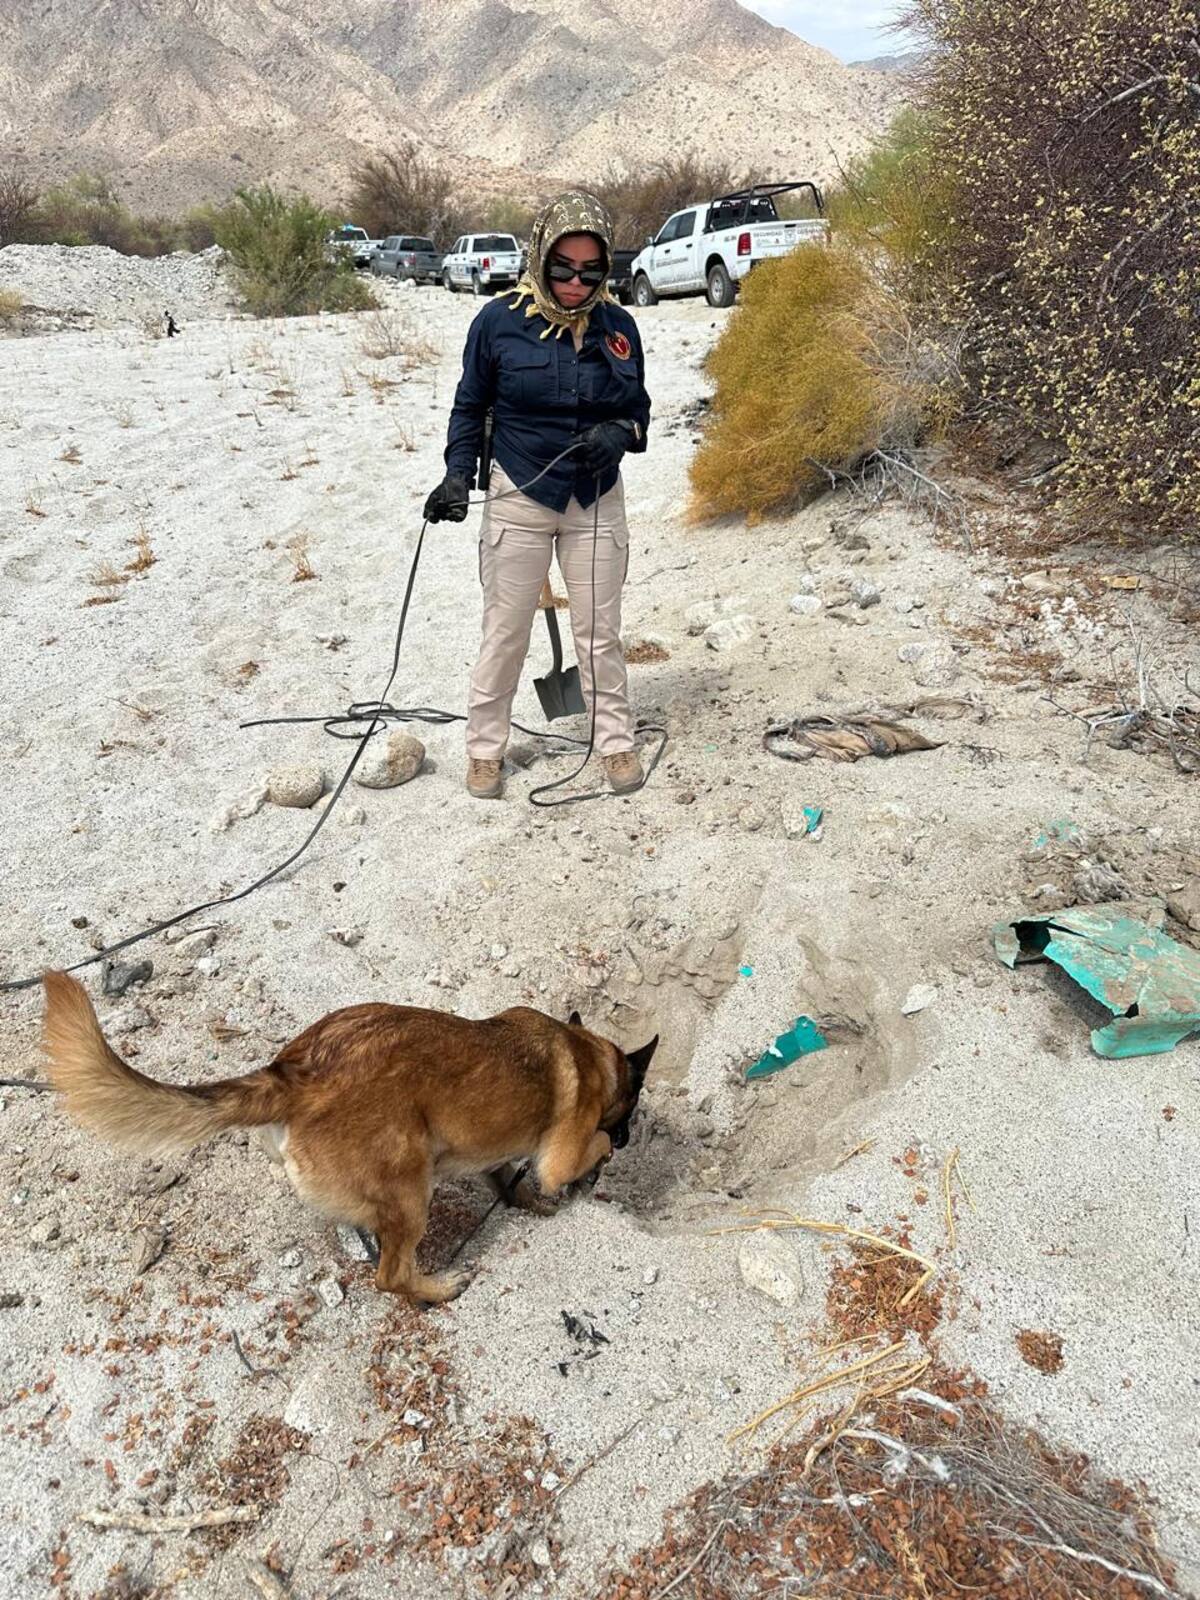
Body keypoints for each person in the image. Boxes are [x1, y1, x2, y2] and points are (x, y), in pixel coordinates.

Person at [423, 191, 652, 801]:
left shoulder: (619, 326)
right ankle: (483, 752)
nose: (576, 283)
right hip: (518, 493)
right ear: (539, 256)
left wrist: (618, 434)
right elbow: (469, 407)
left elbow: (639, 414)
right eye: (562, 268)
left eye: (591, 271)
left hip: (596, 498)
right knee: (506, 631)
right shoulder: (497, 323)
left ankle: (615, 742)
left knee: (599, 631)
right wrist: (455, 474)